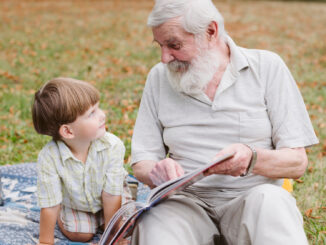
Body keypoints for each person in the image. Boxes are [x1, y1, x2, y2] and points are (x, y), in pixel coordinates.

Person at [130, 0, 319, 244]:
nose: (165, 58)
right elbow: (142, 161)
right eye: (160, 46)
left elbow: (296, 163)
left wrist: (252, 159)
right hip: (185, 202)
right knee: (156, 223)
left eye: (174, 45)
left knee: (272, 203)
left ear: (210, 31)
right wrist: (156, 172)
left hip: (253, 198)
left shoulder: (266, 67)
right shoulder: (159, 77)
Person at [32, 77, 128, 244]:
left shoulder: (112, 145)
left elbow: (111, 194)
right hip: (77, 204)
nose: (102, 115)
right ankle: (64, 215)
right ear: (68, 132)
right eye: (92, 113)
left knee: (130, 223)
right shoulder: (49, 157)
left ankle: (110, 218)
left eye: (98, 108)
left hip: (110, 197)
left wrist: (113, 235)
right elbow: (49, 204)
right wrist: (45, 242)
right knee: (80, 235)